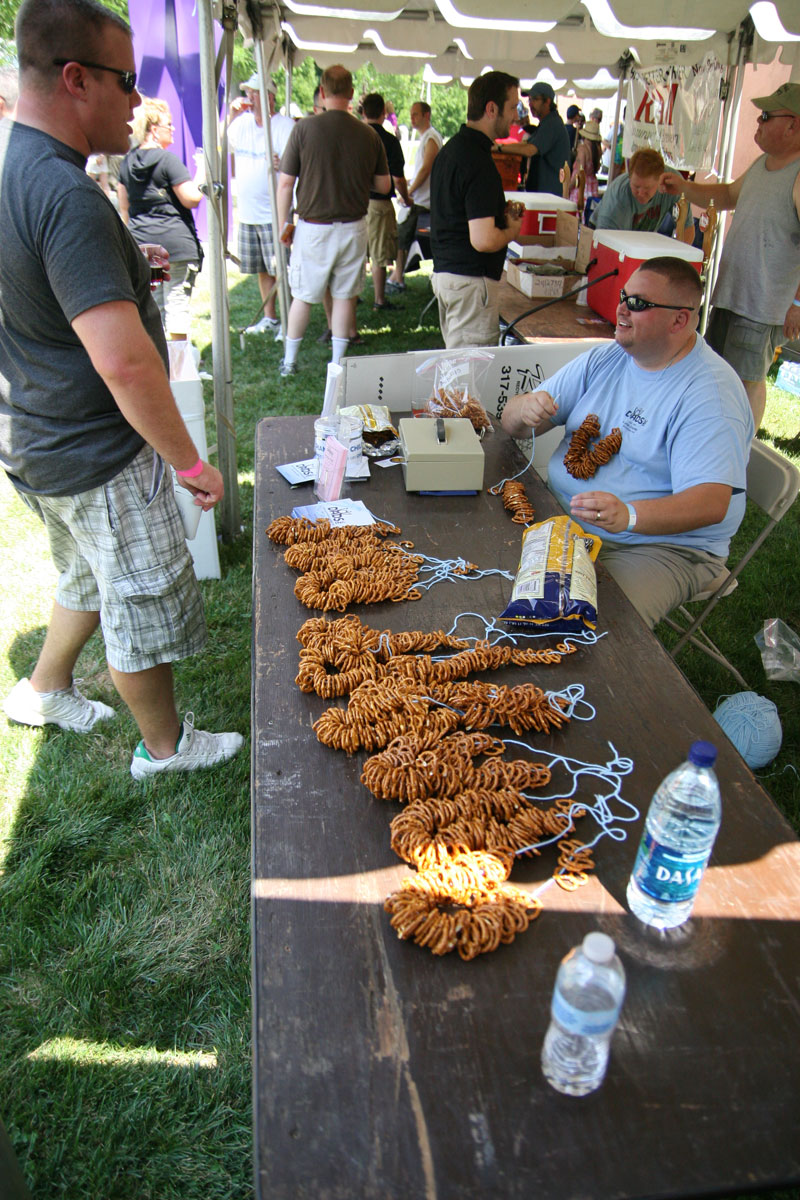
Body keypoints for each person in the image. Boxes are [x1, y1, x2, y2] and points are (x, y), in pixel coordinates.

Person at [0, 0, 243, 777]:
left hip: (35, 436)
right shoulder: (68, 196)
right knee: (138, 598)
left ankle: (44, 686)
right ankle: (164, 750)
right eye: (127, 80)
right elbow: (125, 364)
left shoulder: (16, 167)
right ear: (76, 79)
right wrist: (190, 462)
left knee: (83, 573)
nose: (138, 100)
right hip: (95, 448)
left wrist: (119, 266)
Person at [501, 256, 753, 629]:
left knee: (593, 628)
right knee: (492, 569)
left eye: (639, 303)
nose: (621, 309)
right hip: (569, 517)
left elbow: (711, 502)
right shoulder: (608, 358)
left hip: (662, 547)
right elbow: (511, 423)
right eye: (623, 296)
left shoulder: (708, 394)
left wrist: (630, 515)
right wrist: (524, 412)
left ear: (679, 320)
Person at [660, 82, 800, 430]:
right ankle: (718, 440)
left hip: (764, 305)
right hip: (732, 295)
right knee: (720, 376)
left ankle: (741, 453)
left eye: (767, 116)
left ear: (794, 125)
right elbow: (725, 195)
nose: (759, 123)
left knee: (747, 381)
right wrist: (684, 187)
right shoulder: (762, 165)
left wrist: (799, 303)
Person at [275, 65, 390, 378]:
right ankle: (337, 364)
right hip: (354, 227)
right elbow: (384, 186)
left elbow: (285, 183)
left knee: (303, 296)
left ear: (322, 92)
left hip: (313, 227)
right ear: (352, 95)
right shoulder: (368, 134)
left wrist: (282, 223)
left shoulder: (303, 129)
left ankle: (289, 362)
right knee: (344, 296)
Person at [430, 71, 523, 349]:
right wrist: (512, 229)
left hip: (450, 277)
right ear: (491, 109)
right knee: (468, 380)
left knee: (458, 375)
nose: (516, 116)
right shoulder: (477, 161)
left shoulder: (452, 150)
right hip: (469, 283)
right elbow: (482, 240)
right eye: (512, 108)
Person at [117, 96, 204, 341]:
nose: (173, 129)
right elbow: (191, 198)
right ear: (154, 130)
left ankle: (161, 361)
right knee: (176, 304)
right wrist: (202, 174)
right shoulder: (168, 160)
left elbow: (125, 209)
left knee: (154, 306)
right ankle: (178, 364)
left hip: (145, 245)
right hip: (175, 247)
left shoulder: (127, 162)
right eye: (169, 125)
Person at [227, 73, 296, 337]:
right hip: (248, 213)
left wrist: (284, 164)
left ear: (268, 96)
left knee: (281, 269)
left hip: (274, 213)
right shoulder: (241, 123)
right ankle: (271, 318)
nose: (249, 98)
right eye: (248, 93)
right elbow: (226, 145)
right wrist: (232, 115)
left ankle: (289, 321)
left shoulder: (284, 126)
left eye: (253, 93)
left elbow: (293, 164)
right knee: (260, 268)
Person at [387, 100, 442, 294]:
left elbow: (427, 169)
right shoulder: (427, 138)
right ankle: (398, 274)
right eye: (411, 114)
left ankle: (398, 276)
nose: (412, 118)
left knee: (402, 237)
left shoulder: (431, 138)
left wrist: (409, 191)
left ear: (427, 115)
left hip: (422, 202)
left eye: (416, 114)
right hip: (419, 199)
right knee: (402, 238)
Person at [362, 92, 410, 310]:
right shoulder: (390, 141)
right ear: (383, 113)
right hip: (380, 204)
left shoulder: (355, 137)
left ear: (363, 112)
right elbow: (398, 178)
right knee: (379, 255)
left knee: (357, 253)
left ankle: (352, 296)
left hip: (355, 203)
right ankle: (379, 300)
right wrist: (406, 198)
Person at [591, 147, 694, 242]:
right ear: (629, 178)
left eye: (647, 188)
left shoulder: (672, 185)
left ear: (660, 181)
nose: (640, 193)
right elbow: (606, 242)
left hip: (639, 242)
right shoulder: (617, 197)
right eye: (636, 186)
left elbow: (687, 228)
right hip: (604, 236)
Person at [495, 82, 570, 197]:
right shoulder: (546, 123)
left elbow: (529, 150)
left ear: (547, 101)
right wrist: (498, 145)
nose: (530, 104)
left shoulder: (552, 124)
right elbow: (525, 145)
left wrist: (498, 148)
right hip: (544, 195)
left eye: (534, 99)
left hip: (549, 197)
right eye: (529, 100)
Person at [569, 120, 602, 220]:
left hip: (581, 188)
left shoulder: (583, 150)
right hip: (592, 187)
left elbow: (579, 173)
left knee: (577, 219)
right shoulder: (597, 150)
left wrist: (568, 187)